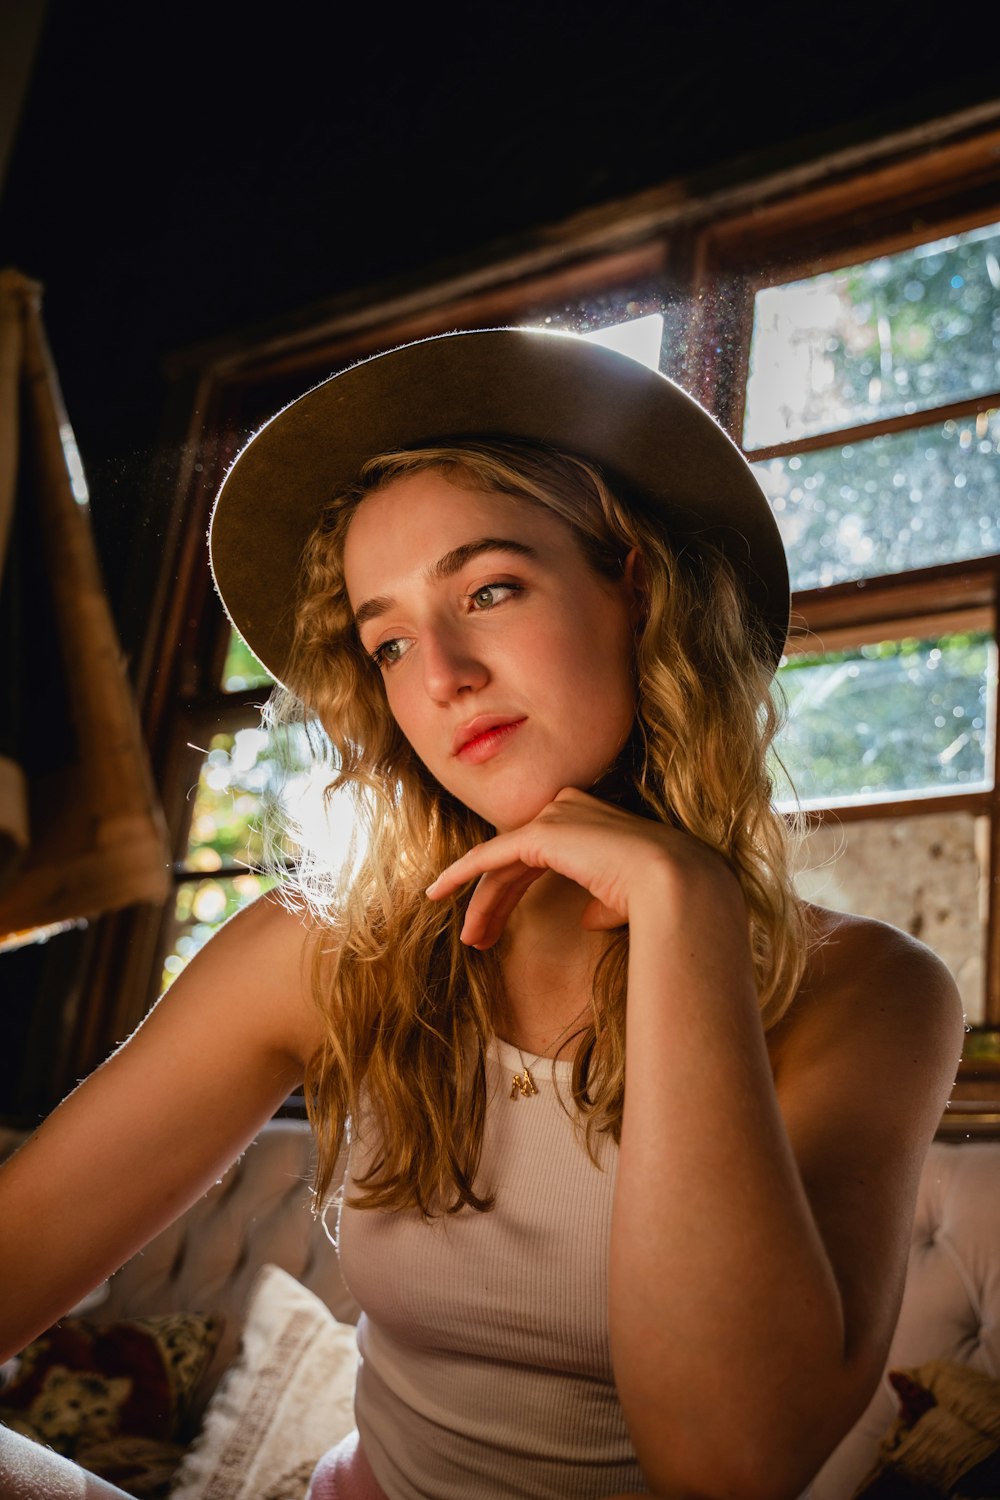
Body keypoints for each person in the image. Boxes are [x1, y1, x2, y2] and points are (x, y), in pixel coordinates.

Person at [0, 329, 964, 1500]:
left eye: (490, 588)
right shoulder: (321, 951)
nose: (442, 673)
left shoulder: (867, 991)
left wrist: (681, 910)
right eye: (390, 640)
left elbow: (731, 1465)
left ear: (636, 589)